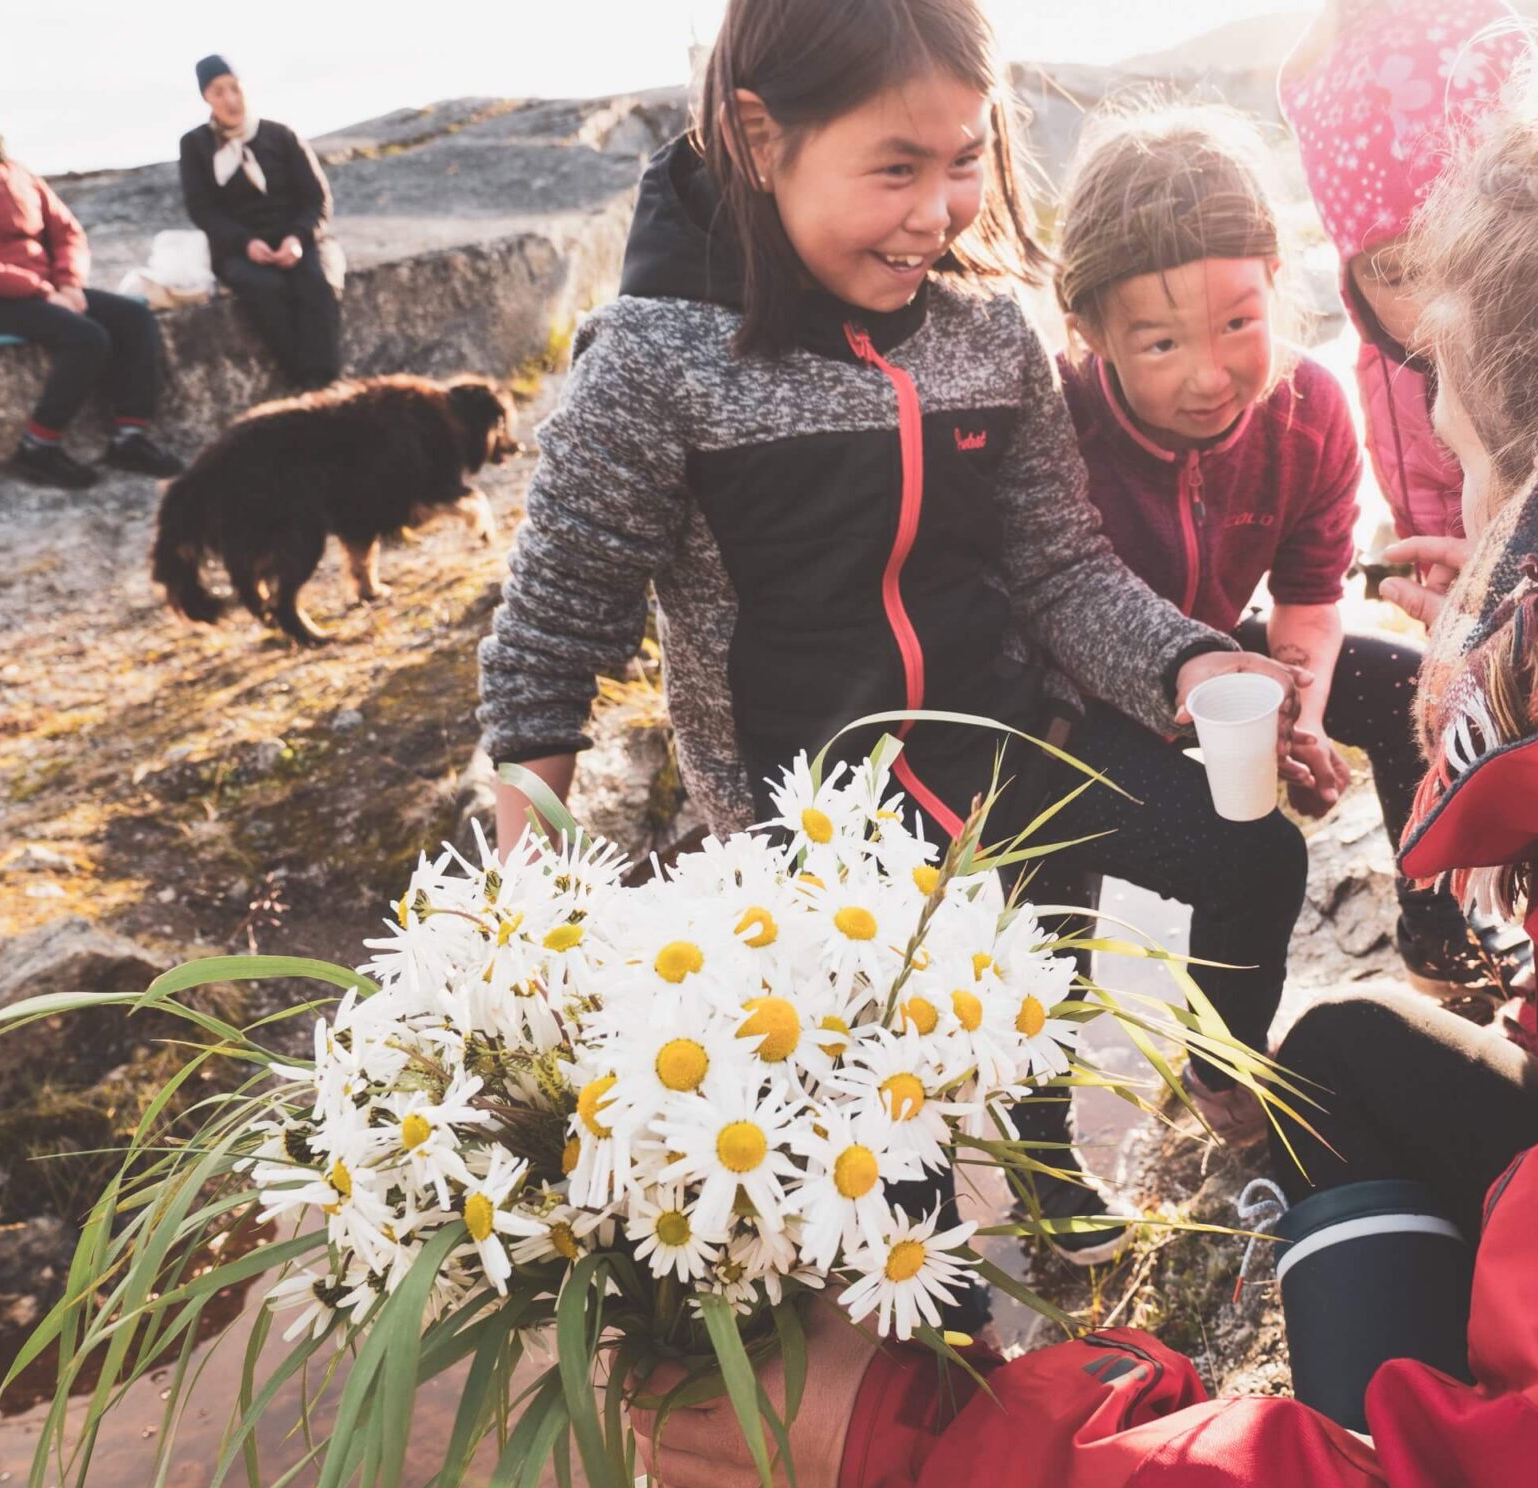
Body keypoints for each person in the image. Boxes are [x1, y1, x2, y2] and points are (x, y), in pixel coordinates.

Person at [632, 55, 1538, 1488]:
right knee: (1337, 1047)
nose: (1451, 548)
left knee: (1254, 911)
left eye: (1463, 467)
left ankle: (1352, 1424)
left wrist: (911, 1450)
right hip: (1034, 761)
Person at [476, 0, 1310, 1293]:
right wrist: (526, 930)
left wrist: (1189, 662)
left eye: (967, 159)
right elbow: (550, 645)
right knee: (898, 1163)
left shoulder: (988, 335)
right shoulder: (654, 364)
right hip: (818, 838)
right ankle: (931, 1312)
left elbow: (1057, 564)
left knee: (1222, 863)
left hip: (1017, 754)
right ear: (760, 138)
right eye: (897, 169)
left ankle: (1059, 1163)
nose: (941, 211)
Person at [1046, 104, 1518, 1056]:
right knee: (1064, 891)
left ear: (1277, 283)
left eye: (1238, 322)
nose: (1212, 375)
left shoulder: (1308, 412)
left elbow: (1308, 593)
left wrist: (1296, 714)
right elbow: (1047, 589)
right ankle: (1049, 1077)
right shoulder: (1059, 423)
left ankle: (1433, 935)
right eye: (1162, 343)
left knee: (1406, 692)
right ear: (1089, 329)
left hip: (1226, 666)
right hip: (1075, 694)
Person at [1278, 0, 1533, 997]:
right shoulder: (1383, 369)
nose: (1433, 305)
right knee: (1425, 714)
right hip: (1458, 605)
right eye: (1389, 270)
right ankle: (1436, 920)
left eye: (1462, 247)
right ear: (1350, 279)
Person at [0, 70, 184, 489]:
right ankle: (38, 446)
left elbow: (66, 231)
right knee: (87, 338)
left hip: (52, 289)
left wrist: (66, 283)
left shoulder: (15, 170)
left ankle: (129, 436)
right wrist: (41, 291)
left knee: (134, 317)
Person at [179, 55, 342, 389]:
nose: (230, 99)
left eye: (234, 88)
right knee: (263, 288)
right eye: (218, 91)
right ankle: (300, 381)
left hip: (299, 240)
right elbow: (202, 210)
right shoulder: (195, 145)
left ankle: (324, 381)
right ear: (206, 98)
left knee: (317, 281)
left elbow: (317, 199)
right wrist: (245, 243)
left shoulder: (281, 135)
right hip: (240, 249)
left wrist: (297, 238)